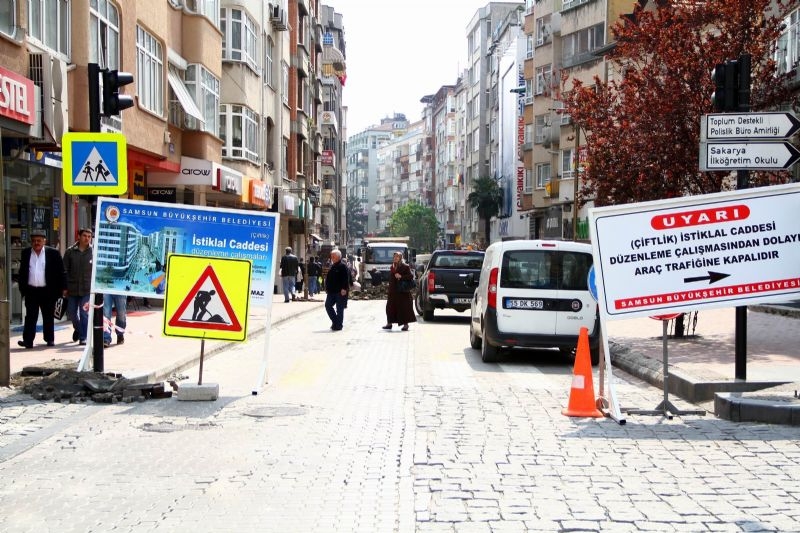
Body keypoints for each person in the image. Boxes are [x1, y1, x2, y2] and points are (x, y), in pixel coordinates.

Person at [17, 230, 66, 348]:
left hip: (47, 290)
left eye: (39, 240)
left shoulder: (53, 253)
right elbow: (22, 272)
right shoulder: (26, 253)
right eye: (34, 241)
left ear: (44, 241)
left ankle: (49, 339)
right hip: (31, 291)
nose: (36, 243)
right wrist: (22, 289)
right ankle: (28, 341)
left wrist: (64, 288)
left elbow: (61, 272)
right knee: (30, 316)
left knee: (48, 316)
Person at [62, 228, 93, 345]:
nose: (87, 238)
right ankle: (79, 329)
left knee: (84, 313)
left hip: (87, 289)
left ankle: (83, 337)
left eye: (89, 236)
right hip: (72, 288)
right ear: (79, 237)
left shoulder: (93, 252)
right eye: (84, 236)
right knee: (71, 314)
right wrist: (64, 287)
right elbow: (64, 270)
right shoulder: (70, 251)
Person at [383, 251, 417, 331]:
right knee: (390, 307)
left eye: (397, 256)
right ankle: (389, 323)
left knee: (403, 308)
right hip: (393, 291)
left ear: (400, 258)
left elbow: (410, 276)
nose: (395, 258)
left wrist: (401, 276)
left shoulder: (405, 266)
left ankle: (405, 325)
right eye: (394, 256)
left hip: (402, 292)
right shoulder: (392, 266)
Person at [324, 249, 350, 331]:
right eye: (331, 256)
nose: (332, 258)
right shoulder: (332, 266)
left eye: (333, 256)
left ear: (338, 257)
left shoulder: (343, 266)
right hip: (331, 291)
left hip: (340, 291)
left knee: (339, 309)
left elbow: (346, 278)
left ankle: (338, 325)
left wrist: (344, 289)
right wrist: (327, 288)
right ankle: (336, 322)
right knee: (328, 305)